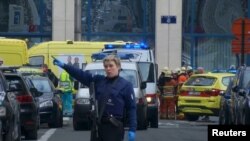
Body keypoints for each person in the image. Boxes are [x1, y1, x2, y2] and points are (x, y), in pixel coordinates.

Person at [53, 55, 136, 141]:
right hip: (98, 126)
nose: (108, 68)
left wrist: (132, 129)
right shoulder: (99, 81)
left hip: (114, 127)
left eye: (111, 66)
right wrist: (65, 66)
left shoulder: (126, 85)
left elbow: (131, 108)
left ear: (118, 67)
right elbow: (81, 74)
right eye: (106, 66)